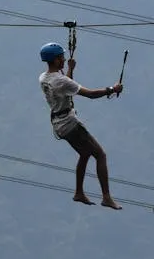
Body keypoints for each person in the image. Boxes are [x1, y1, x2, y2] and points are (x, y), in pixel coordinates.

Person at [38, 42, 123, 209]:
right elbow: (91, 94)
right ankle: (106, 197)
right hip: (70, 124)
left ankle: (79, 193)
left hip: (58, 124)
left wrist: (70, 69)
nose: (63, 59)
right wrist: (112, 89)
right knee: (100, 154)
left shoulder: (44, 78)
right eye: (61, 57)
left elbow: (65, 85)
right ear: (55, 60)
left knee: (85, 154)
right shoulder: (60, 81)